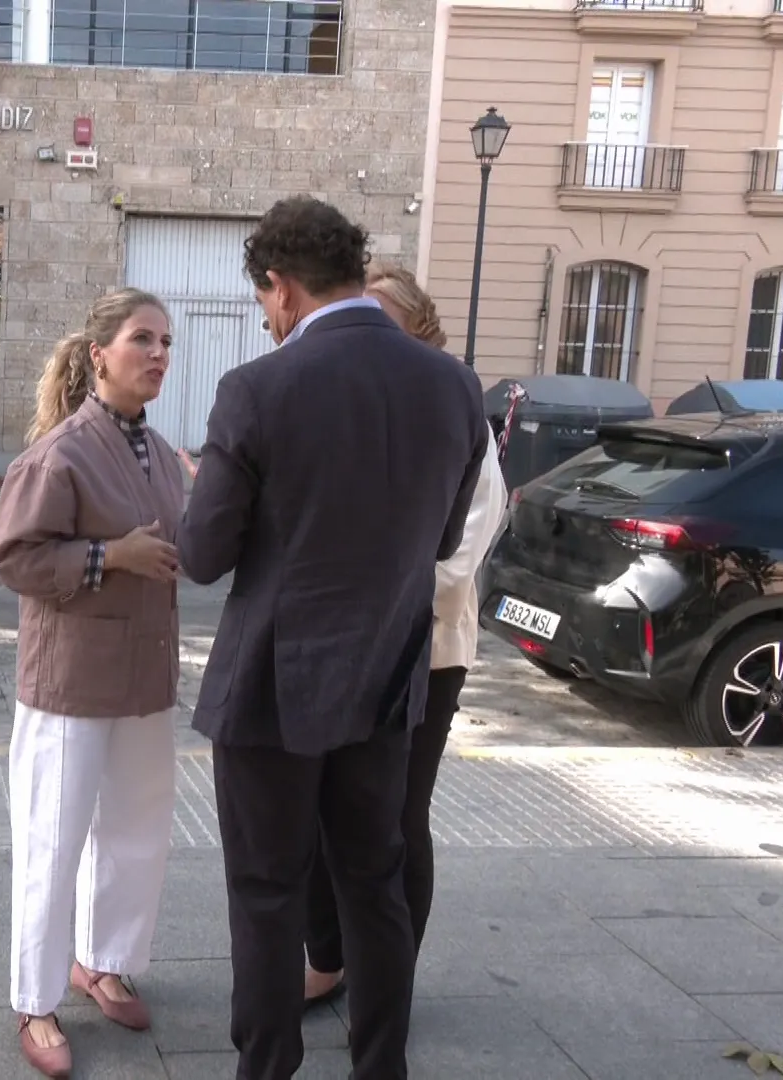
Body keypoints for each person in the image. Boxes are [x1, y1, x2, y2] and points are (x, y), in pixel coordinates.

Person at [176, 197, 487, 1080]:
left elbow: (202, 556)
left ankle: (267, 1069)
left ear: (280, 285)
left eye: (264, 301)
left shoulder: (257, 389)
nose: (267, 319)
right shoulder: (453, 385)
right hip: (388, 682)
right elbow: (438, 542)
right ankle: (379, 1066)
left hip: (273, 689)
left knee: (269, 896)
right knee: (373, 888)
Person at [0, 287, 186, 1079]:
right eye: (144, 339)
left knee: (138, 830)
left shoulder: (164, 453)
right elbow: (16, 558)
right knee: (52, 840)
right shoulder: (60, 452)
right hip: (71, 680)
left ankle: (102, 962)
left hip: (145, 675)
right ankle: (35, 1002)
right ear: (100, 353)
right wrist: (110, 558)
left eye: (167, 342)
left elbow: (181, 540)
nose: (160, 355)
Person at [298, 264, 509, 1007]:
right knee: (328, 811)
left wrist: (369, 595)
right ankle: (327, 958)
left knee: (395, 818)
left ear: (420, 328)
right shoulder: (352, 405)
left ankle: (387, 984)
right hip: (346, 644)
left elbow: (463, 552)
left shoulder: (457, 411)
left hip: (426, 650)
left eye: (382, 319)